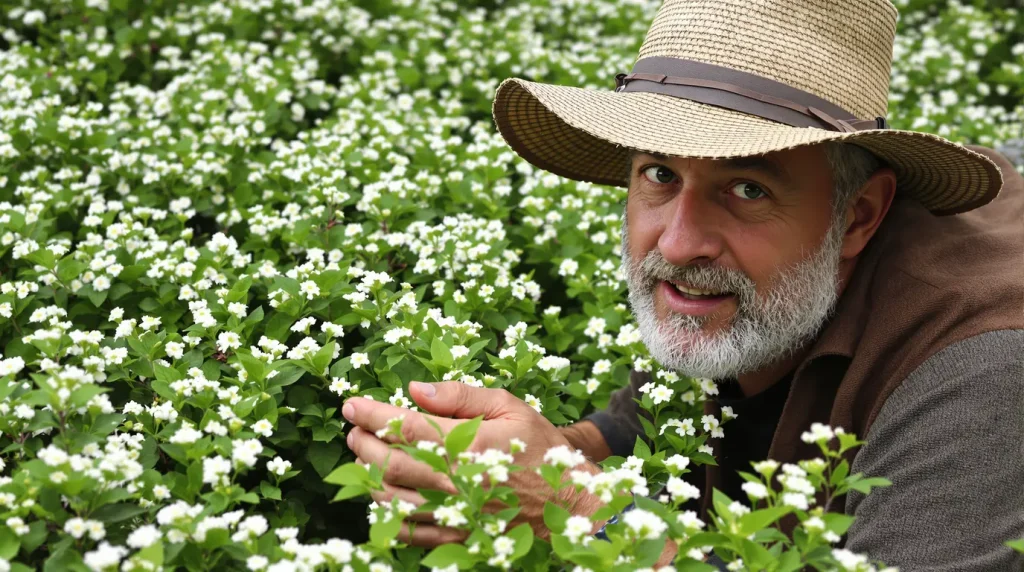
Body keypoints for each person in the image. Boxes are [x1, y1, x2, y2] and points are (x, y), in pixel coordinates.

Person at [341, 0, 1024, 567]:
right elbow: (629, 428)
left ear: (859, 216)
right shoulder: (743, 291)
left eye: (748, 187)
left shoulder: (982, 371)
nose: (675, 242)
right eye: (660, 174)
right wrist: (509, 460)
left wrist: (580, 508)